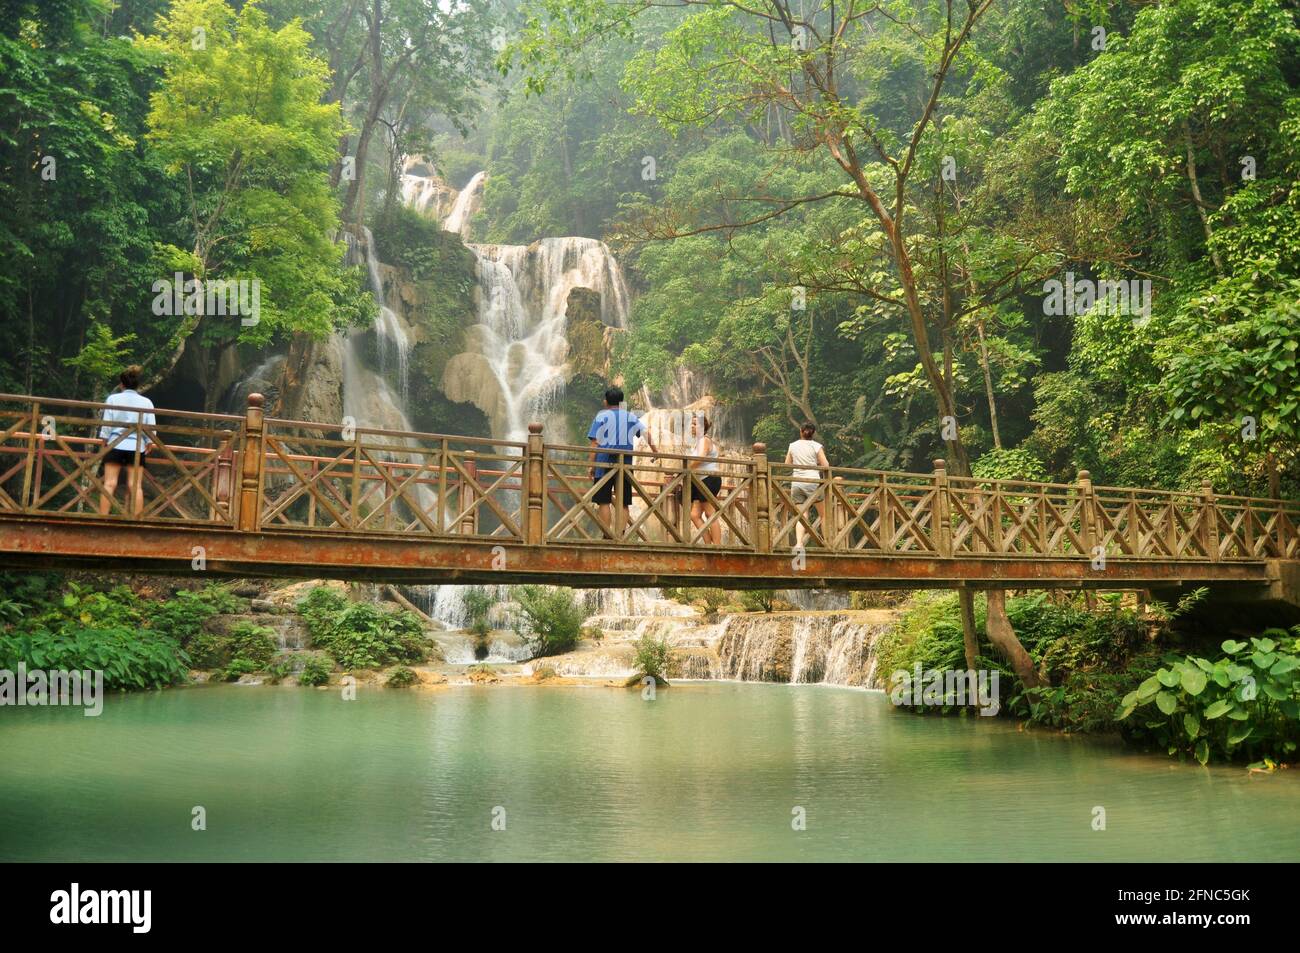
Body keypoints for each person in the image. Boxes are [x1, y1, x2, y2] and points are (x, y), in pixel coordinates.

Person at [587, 386, 656, 537]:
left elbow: (594, 443)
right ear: (621, 401)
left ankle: (607, 536)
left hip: (603, 463)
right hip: (625, 464)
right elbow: (646, 433)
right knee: (623, 501)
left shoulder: (601, 417)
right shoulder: (630, 417)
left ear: (606, 401)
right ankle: (620, 535)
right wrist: (656, 451)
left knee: (603, 501)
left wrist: (591, 466)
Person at [97, 365, 156, 517]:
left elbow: (106, 425)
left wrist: (104, 442)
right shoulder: (146, 402)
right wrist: (149, 442)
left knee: (109, 483)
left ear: (121, 384)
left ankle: (103, 518)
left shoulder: (112, 399)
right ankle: (136, 520)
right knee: (135, 485)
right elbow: (150, 428)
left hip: (115, 444)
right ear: (138, 385)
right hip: (136, 447)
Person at [785, 422, 829, 547]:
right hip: (812, 483)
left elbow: (787, 465)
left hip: (797, 483)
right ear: (813, 433)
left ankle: (799, 543)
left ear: (801, 431)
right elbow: (826, 465)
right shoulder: (817, 446)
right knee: (823, 514)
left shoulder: (792, 446)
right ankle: (826, 542)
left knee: (801, 515)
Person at [687, 414, 722, 545]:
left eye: (695, 424)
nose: (692, 426)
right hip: (700, 481)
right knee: (695, 515)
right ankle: (708, 544)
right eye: (692, 423)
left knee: (709, 513)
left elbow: (701, 457)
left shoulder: (704, 440)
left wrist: (687, 468)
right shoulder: (698, 442)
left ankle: (717, 547)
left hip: (709, 479)